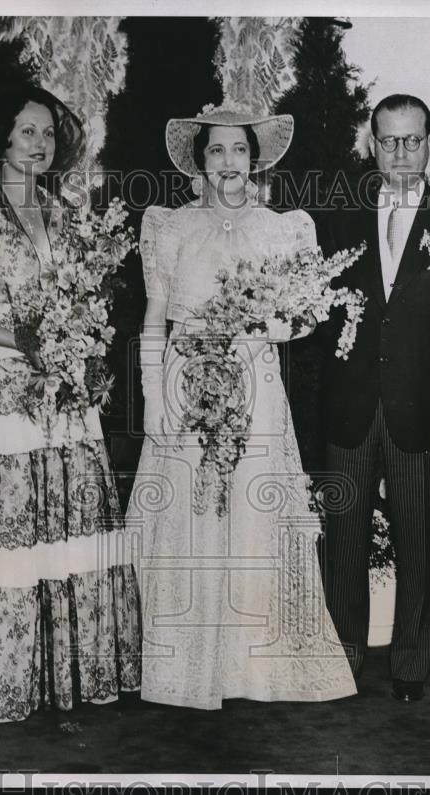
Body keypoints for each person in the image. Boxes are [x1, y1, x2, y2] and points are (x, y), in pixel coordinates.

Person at [0, 82, 141, 722]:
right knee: (13, 535)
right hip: (3, 390)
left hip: (65, 394)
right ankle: (4, 678)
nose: (39, 144)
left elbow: (87, 301)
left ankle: (65, 677)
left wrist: (87, 353)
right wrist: (20, 339)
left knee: (68, 530)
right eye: (26, 132)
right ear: (1, 140)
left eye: (48, 133)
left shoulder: (68, 216)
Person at [128, 104, 357, 709]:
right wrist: (154, 397)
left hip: (254, 383)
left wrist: (271, 325)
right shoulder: (169, 226)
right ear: (200, 162)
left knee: (252, 513)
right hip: (185, 381)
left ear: (254, 160)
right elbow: (154, 318)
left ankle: (253, 665)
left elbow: (305, 316)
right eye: (216, 151)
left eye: (238, 151)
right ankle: (187, 664)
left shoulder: (284, 227)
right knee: (192, 515)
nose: (228, 163)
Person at [319, 94, 430, 699]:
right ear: (371, 142)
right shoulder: (337, 219)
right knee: (343, 542)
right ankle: (342, 657)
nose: (399, 154)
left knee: (419, 540)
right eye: (388, 141)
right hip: (352, 408)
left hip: (426, 413)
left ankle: (412, 666)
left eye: (411, 141)